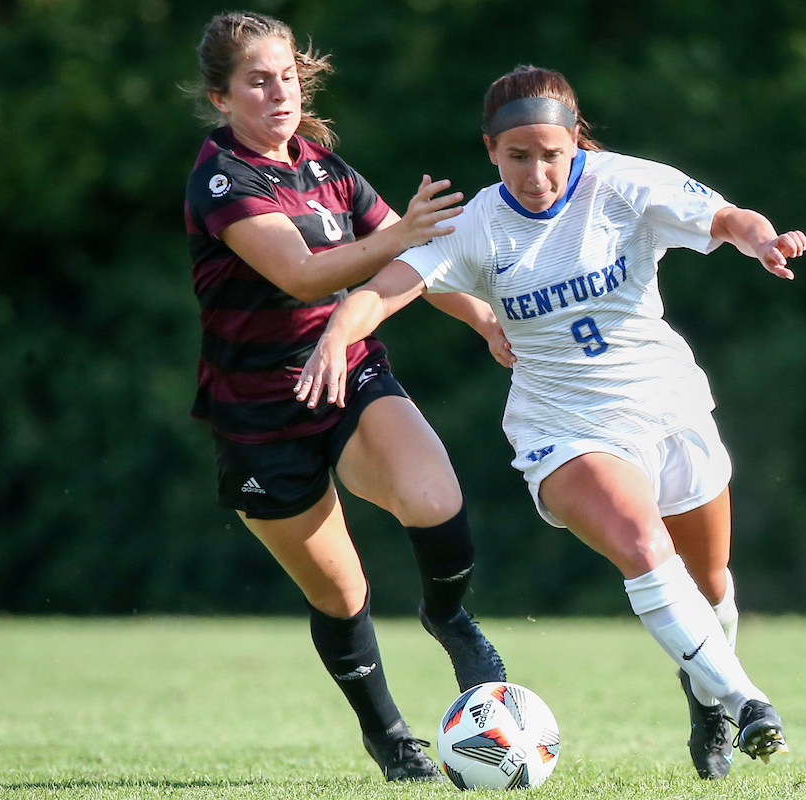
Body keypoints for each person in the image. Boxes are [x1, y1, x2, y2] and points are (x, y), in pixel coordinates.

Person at [295, 65, 806, 780]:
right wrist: (333, 336)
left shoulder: (620, 183)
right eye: (517, 156)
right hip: (564, 425)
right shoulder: (474, 224)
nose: (536, 173)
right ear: (490, 150)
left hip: (667, 404)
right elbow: (383, 293)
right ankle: (749, 700)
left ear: (576, 143)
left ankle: (708, 698)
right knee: (639, 542)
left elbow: (727, 218)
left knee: (711, 582)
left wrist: (761, 239)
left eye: (551, 154)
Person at [183, 12, 509, 783]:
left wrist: (485, 318)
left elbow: (413, 260)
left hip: (350, 371)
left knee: (436, 497)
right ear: (221, 98)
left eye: (287, 76)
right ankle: (391, 739)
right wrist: (401, 237)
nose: (279, 93)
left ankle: (449, 617)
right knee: (343, 591)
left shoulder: (324, 167)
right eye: (258, 81)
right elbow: (301, 274)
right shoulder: (223, 179)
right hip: (259, 412)